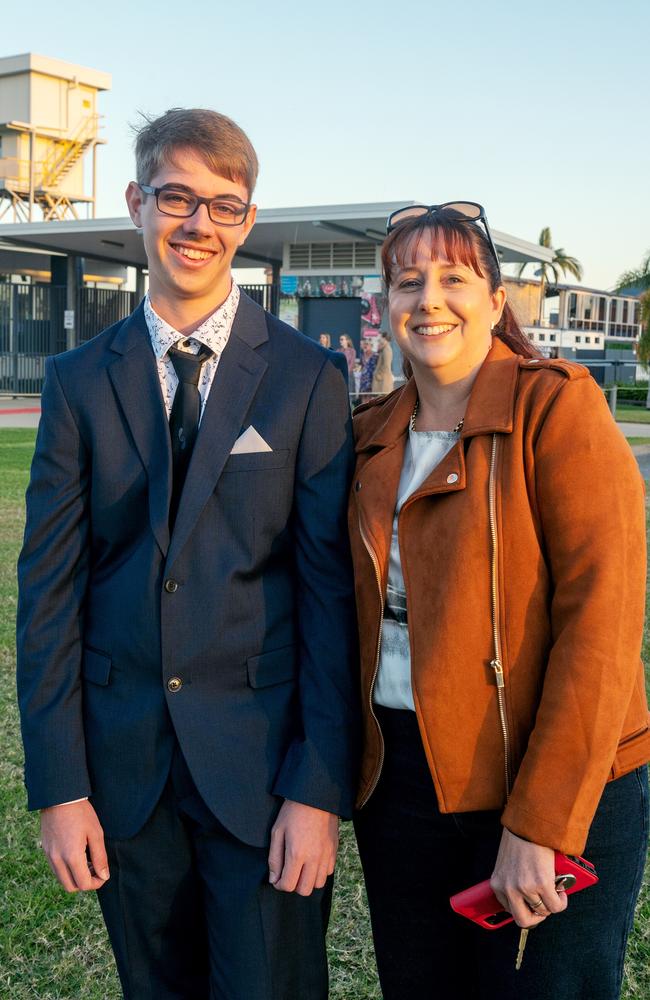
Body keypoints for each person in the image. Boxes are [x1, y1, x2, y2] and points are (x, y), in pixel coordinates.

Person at [16, 108, 359, 1000]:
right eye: (176, 197)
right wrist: (60, 789)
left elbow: (330, 599)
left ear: (248, 220)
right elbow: (47, 595)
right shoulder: (78, 381)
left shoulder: (306, 377)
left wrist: (319, 790)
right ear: (136, 202)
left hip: (263, 773)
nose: (197, 224)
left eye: (223, 205)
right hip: (124, 775)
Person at [349, 202, 650, 1000]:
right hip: (403, 780)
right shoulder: (369, 435)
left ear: (494, 298)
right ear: (384, 306)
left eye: (455, 277)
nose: (430, 298)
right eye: (408, 281)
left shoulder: (558, 409)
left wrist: (541, 822)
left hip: (547, 771)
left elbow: (603, 629)